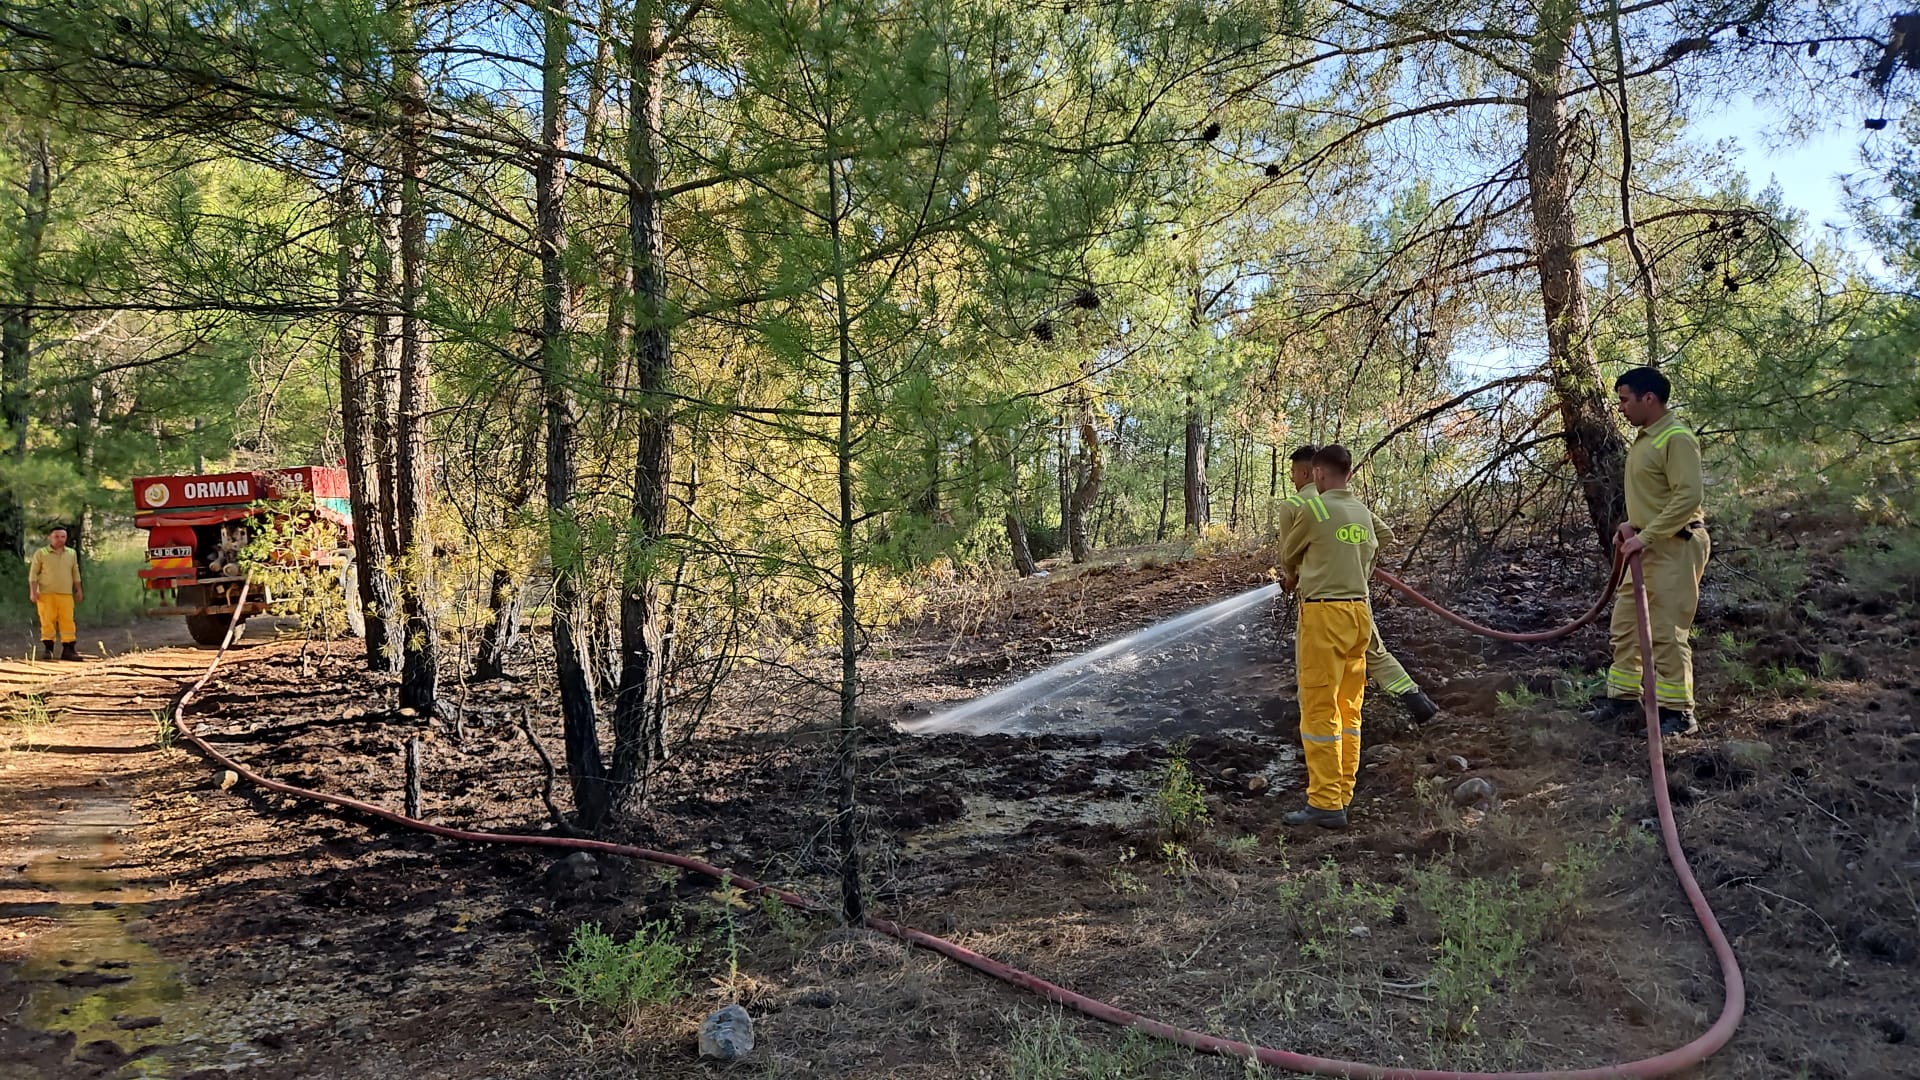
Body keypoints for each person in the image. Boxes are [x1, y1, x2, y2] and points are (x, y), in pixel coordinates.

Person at [1585, 367, 1707, 737]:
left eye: (1625, 400)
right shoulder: (1645, 439)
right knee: (1625, 626)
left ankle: (1679, 714)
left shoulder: (1676, 437)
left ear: (1648, 398)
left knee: (1667, 632)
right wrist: (1631, 528)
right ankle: (1623, 700)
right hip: (1647, 546)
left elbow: (1688, 496)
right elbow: (1655, 496)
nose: (1620, 408)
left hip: (1675, 546)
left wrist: (1648, 535)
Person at [1277, 445, 1439, 723]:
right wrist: (1356, 562)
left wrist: (1294, 577)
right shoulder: (1351, 505)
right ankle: (1415, 698)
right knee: (1372, 650)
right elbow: (1384, 535)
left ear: (1309, 472)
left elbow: (1288, 554)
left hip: (1320, 602)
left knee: (1317, 671)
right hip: (1356, 598)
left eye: (1293, 472)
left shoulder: (1295, 506)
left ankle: (1319, 727)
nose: (1292, 479)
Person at [1278, 445, 1385, 829]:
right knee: (1349, 709)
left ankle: (1324, 803)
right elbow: (1371, 552)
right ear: (1349, 474)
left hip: (1324, 615)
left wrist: (1291, 578)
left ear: (1319, 474)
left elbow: (1290, 556)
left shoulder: (1315, 509)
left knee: (1320, 708)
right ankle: (1341, 795)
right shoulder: (1362, 513)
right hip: (1359, 614)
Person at [28, 525, 82, 662]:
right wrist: (33, 592)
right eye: (56, 536)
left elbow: (75, 572)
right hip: (46, 594)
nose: (60, 539)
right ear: (50, 538)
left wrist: (79, 590)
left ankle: (69, 650)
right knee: (47, 621)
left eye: (63, 537)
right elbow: (33, 573)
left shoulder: (71, 553)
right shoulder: (41, 553)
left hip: (66, 594)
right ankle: (48, 649)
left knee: (68, 622)